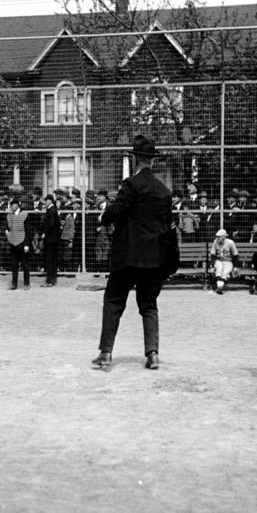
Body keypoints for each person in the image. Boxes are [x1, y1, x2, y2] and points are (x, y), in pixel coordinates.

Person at [92, 134, 173, 372]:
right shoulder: (164, 191)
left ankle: (106, 354)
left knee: (114, 302)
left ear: (135, 158)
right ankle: (153, 354)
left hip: (126, 257)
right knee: (148, 305)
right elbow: (166, 225)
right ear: (153, 161)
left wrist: (103, 215)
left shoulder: (130, 184)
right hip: (153, 258)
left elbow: (118, 210)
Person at [5, 196, 32, 289]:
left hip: (22, 242)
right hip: (13, 242)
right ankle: (14, 284)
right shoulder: (9, 216)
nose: (11, 207)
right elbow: (8, 228)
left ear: (16, 205)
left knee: (25, 264)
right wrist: (7, 232)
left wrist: (27, 244)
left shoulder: (24, 215)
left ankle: (27, 283)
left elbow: (28, 231)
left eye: (12, 205)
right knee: (14, 264)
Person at [208, 228, 238, 295]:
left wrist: (235, 266)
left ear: (224, 237)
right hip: (219, 260)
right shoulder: (215, 241)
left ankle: (219, 287)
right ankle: (220, 288)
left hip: (228, 261)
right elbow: (213, 254)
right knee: (218, 270)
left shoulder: (230, 242)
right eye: (217, 236)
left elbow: (235, 255)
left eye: (219, 237)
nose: (217, 238)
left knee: (225, 272)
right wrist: (212, 266)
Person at [42, 193, 61, 286]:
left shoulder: (51, 210)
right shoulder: (54, 209)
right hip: (55, 238)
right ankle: (53, 279)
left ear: (49, 200)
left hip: (50, 238)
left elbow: (51, 223)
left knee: (49, 259)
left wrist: (45, 232)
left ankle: (49, 280)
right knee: (53, 259)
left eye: (45, 201)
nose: (45, 203)